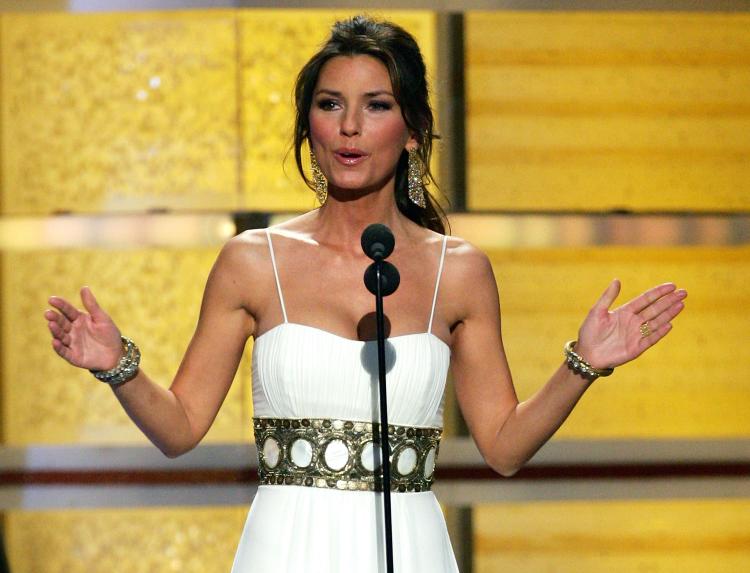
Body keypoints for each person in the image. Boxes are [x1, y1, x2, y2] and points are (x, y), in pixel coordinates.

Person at [44, 15, 686, 573]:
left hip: (407, 545)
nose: (350, 126)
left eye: (376, 105)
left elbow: (504, 445)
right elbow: (180, 427)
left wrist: (585, 362)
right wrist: (117, 367)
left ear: (412, 130)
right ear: (309, 126)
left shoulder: (457, 272)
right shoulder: (253, 260)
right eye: (330, 105)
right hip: (286, 546)